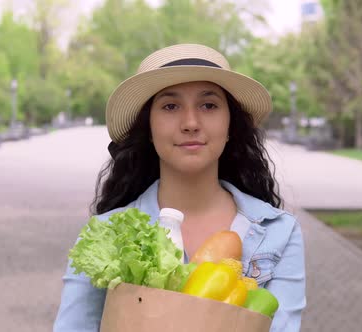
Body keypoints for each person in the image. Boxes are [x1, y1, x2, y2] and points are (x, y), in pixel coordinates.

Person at [53, 43, 306, 332]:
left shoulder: (279, 232)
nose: (190, 123)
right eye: (170, 106)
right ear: (148, 127)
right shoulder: (106, 235)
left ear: (230, 126)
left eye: (209, 105)